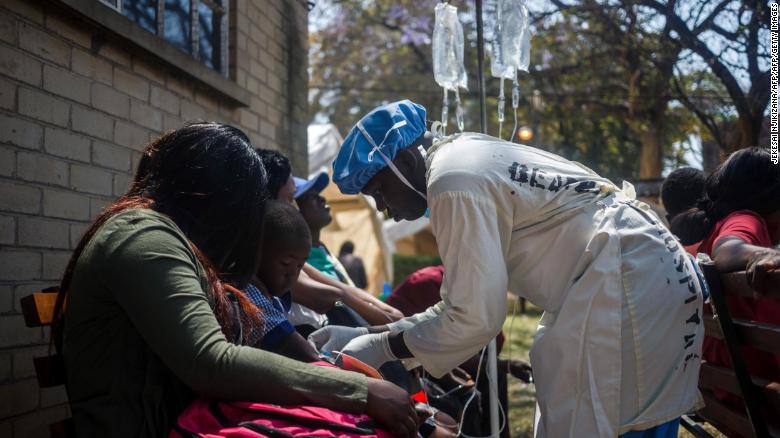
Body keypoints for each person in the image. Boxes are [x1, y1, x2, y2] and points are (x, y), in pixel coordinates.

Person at [310, 100, 705, 437]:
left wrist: (380, 346)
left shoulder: (452, 180)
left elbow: (473, 317)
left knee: (613, 418)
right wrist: (370, 334)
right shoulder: (466, 155)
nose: (384, 210)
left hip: (626, 284)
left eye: (379, 191)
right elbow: (465, 305)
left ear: (406, 160)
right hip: (635, 274)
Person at [55, 122, 418, 437]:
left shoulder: (171, 239)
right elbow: (212, 361)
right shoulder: (144, 236)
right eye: (247, 209)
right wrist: (359, 390)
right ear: (219, 200)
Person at [670, 147, 780, 401]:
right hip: (763, 403)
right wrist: (761, 255)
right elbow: (728, 250)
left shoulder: (710, 231)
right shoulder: (745, 220)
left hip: (734, 397)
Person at [245, 200, 320, 362]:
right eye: (286, 263)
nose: (292, 274)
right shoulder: (248, 295)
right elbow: (303, 353)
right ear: (257, 251)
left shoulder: (276, 300)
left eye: (300, 266)